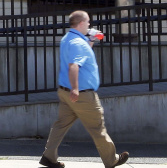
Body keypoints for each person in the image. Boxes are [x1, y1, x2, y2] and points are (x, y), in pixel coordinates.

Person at [40, 10, 129, 168]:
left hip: (65, 92)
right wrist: (75, 88)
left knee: (60, 124)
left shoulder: (69, 39)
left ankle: (49, 156)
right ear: (81, 23)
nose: (89, 25)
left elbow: (82, 54)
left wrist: (92, 40)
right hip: (81, 94)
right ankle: (111, 160)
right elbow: (74, 65)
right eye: (87, 22)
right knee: (97, 127)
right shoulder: (78, 43)